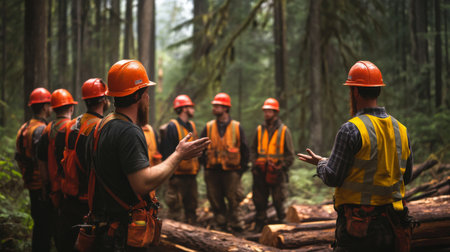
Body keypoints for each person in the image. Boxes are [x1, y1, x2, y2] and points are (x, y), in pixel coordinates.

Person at [88, 59, 210, 251]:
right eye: (146, 92)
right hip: (123, 235)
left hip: (104, 227)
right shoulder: (128, 132)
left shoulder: (102, 126)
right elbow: (142, 183)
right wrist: (179, 155)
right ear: (138, 96)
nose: (148, 97)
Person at [298, 61, 414, 252]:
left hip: (359, 228)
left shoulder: (351, 129)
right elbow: (405, 176)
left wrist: (320, 166)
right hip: (394, 226)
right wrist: (324, 161)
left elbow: (333, 177)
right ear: (378, 90)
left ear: (355, 92)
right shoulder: (401, 130)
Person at [59, 78, 109, 251]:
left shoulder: (72, 124)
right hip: (89, 207)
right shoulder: (101, 127)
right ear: (104, 100)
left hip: (69, 200)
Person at [200, 92, 249, 232]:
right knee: (215, 200)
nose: (214, 108)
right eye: (214, 106)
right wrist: (205, 166)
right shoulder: (208, 127)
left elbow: (245, 150)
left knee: (234, 200)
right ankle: (220, 226)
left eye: (217, 106)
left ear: (226, 108)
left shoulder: (237, 126)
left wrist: (240, 170)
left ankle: (237, 227)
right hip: (212, 171)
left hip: (232, 171)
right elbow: (201, 148)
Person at [37, 88, 78, 251]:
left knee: (59, 236)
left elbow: (42, 163)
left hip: (54, 193)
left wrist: (46, 187)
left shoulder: (46, 130)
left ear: (53, 109)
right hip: (73, 193)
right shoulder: (74, 127)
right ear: (71, 108)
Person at [15, 88, 53, 252]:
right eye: (49, 104)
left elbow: (19, 157)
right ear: (45, 107)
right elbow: (42, 161)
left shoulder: (24, 128)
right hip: (41, 188)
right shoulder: (41, 130)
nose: (51, 107)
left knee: (39, 225)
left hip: (31, 184)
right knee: (44, 230)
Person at [250, 98, 294, 232]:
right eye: (265, 111)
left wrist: (281, 168)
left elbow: (290, 154)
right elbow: (253, 150)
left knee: (279, 200)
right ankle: (259, 225)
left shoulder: (284, 130)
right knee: (259, 200)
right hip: (260, 172)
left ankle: (282, 226)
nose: (267, 113)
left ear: (276, 112)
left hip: (277, 173)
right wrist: (254, 165)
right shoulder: (259, 130)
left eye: (270, 111)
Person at [160, 94, 200, 224]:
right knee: (175, 210)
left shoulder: (192, 126)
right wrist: (170, 175)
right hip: (177, 176)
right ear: (184, 109)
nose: (193, 109)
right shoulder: (172, 127)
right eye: (190, 107)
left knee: (192, 208)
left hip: (191, 175)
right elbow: (167, 152)